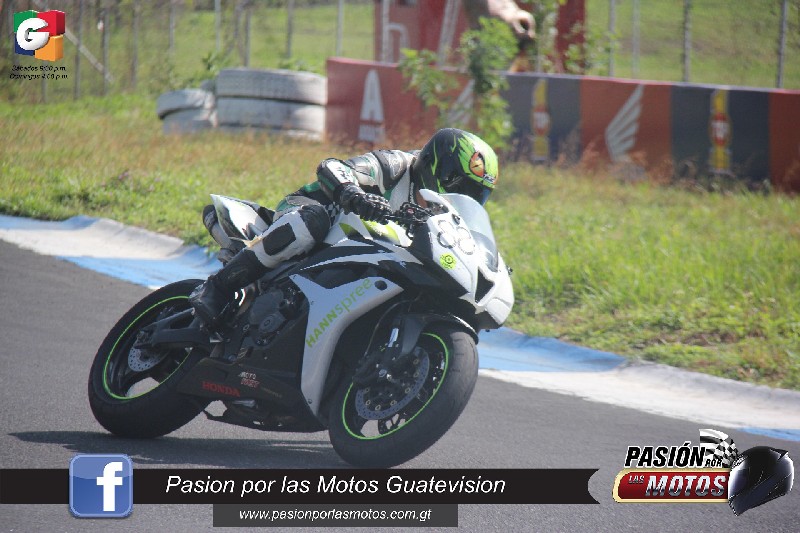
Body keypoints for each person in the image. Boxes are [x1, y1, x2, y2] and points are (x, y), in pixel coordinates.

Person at [189, 128, 500, 326]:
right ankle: (218, 288)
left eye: (476, 195)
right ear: (436, 164)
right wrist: (354, 194)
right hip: (319, 213)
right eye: (459, 185)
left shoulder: (443, 216)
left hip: (370, 254)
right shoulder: (397, 165)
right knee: (312, 222)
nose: (464, 197)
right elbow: (333, 166)